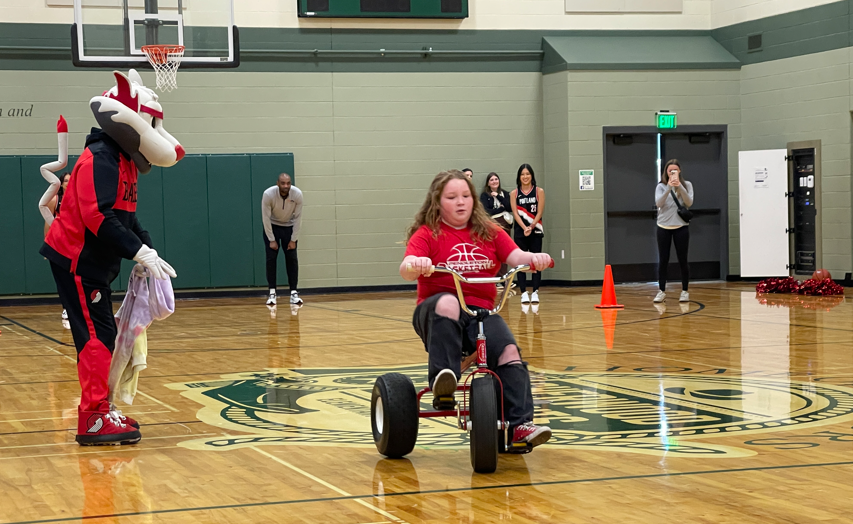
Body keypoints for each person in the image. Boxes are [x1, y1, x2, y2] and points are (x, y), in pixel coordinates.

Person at [41, 69, 183, 445]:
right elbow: (97, 215)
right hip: (75, 260)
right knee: (96, 337)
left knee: (104, 334)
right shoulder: (101, 158)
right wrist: (138, 252)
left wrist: (148, 249)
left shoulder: (124, 161)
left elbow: (127, 216)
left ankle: (101, 410)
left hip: (95, 264)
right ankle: (92, 418)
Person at [401, 169, 553, 449]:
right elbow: (407, 265)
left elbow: (514, 255)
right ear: (437, 202)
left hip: (480, 312)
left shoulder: (489, 231)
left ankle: (519, 425)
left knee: (508, 353)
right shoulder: (428, 234)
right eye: (452, 197)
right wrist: (416, 264)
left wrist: (534, 258)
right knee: (448, 301)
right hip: (436, 312)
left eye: (465, 196)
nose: (460, 202)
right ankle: (443, 380)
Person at [654, 159, 693, 303]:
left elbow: (689, 203)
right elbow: (659, 203)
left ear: (679, 171)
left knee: (683, 260)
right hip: (663, 227)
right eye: (670, 171)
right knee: (663, 260)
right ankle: (661, 290)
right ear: (666, 172)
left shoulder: (687, 185)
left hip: (681, 227)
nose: (672, 173)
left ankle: (684, 291)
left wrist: (679, 187)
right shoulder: (661, 186)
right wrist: (669, 188)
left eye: (675, 171)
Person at [262, 173, 304, 306]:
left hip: (289, 227)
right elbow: (265, 218)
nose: (286, 186)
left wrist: (294, 239)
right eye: (283, 183)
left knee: (292, 259)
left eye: (288, 183)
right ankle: (272, 293)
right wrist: (271, 239)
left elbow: (298, 218)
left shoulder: (297, 194)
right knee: (271, 259)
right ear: (277, 183)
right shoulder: (268, 194)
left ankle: (293, 293)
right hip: (273, 227)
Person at [510, 164, 545, 304]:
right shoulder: (514, 193)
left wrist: (531, 226)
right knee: (521, 263)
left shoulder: (539, 191)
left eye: (528, 174)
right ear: (519, 177)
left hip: (536, 230)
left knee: (537, 262)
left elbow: (540, 211)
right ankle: (523, 292)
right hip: (520, 232)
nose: (525, 177)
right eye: (522, 174)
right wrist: (524, 227)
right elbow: (515, 213)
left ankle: (535, 291)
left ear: (532, 176)